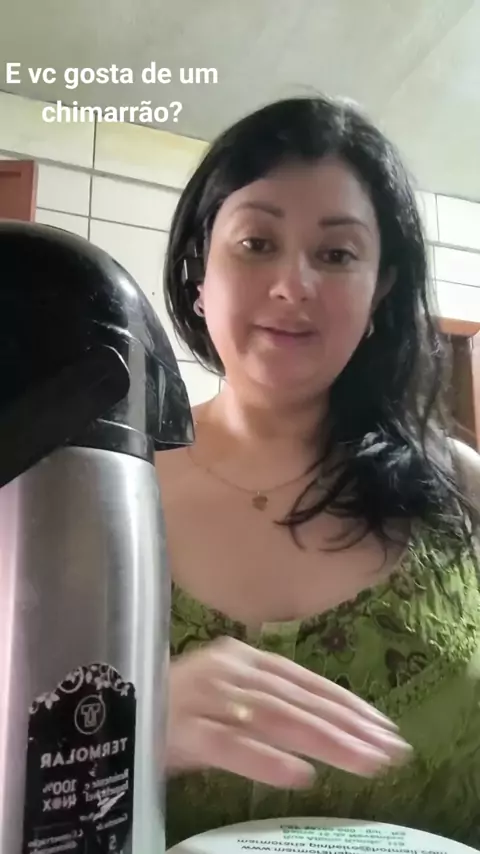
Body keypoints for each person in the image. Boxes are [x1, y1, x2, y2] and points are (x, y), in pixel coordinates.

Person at [155, 95, 480, 849]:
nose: (292, 285)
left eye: (335, 255)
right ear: (199, 271)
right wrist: (126, 730)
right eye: (256, 242)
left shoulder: (461, 490)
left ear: (380, 290)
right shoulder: (98, 493)